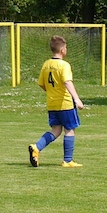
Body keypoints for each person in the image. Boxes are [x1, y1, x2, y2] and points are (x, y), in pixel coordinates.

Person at [28, 35, 85, 168]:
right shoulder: (64, 65)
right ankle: (67, 160)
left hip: (52, 103)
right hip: (65, 103)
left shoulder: (46, 64)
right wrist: (76, 98)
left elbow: (41, 84)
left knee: (56, 130)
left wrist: (52, 92)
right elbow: (67, 82)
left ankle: (36, 147)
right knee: (69, 130)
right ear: (62, 50)